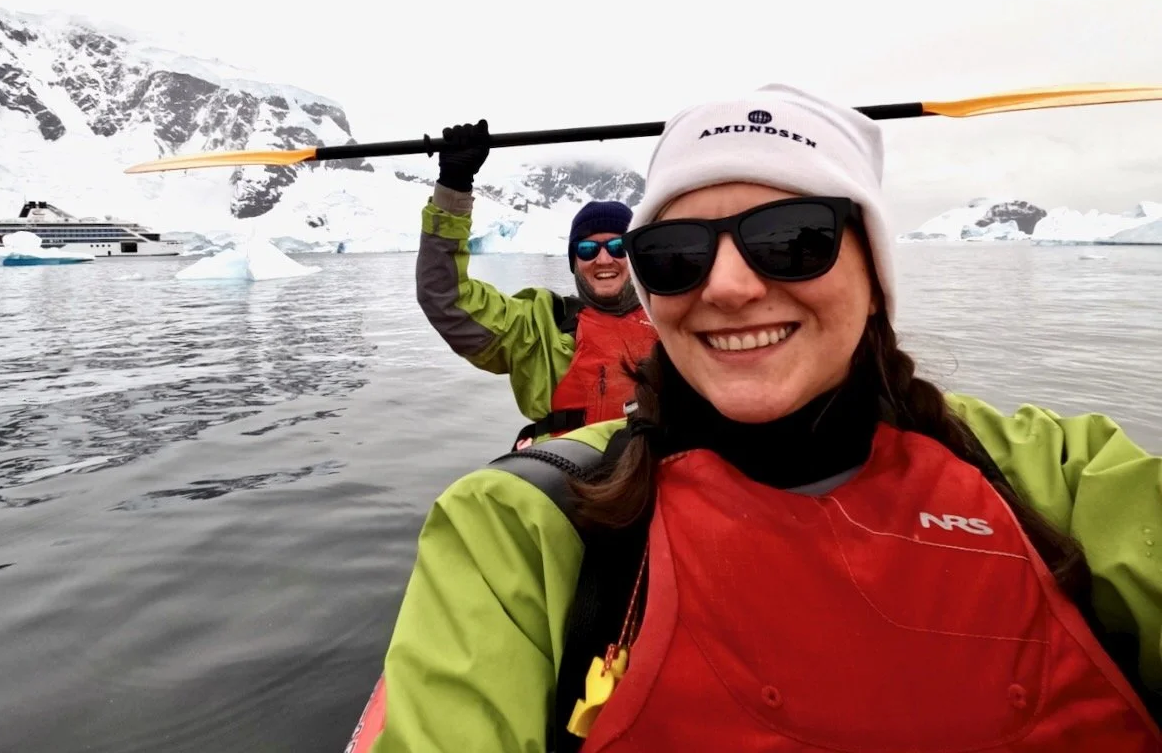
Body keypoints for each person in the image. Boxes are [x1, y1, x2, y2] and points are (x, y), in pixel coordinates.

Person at [361, 84, 1162, 751]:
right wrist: (453, 192)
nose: (729, 289)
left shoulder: (1060, 477)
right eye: (674, 256)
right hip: (595, 478)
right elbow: (447, 302)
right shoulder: (523, 484)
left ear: (874, 272)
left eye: (793, 240)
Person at [416, 119, 657, 450]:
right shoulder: (538, 324)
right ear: (574, 262)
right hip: (567, 472)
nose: (604, 260)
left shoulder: (674, 318)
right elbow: (444, 296)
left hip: (657, 466)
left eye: (617, 247)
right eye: (588, 249)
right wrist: (453, 189)